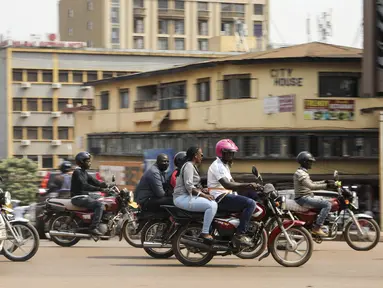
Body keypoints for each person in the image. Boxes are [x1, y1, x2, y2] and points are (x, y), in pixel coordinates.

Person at [208, 139, 258, 246]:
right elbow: (227, 185)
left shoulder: (224, 165)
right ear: (221, 152)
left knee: (249, 200)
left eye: (232, 153)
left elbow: (233, 183)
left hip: (226, 195)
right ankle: (240, 234)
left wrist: (253, 187)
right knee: (251, 203)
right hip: (220, 198)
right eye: (228, 153)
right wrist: (247, 185)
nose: (231, 155)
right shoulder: (218, 166)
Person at [173, 146, 217, 242]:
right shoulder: (188, 165)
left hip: (187, 196)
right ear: (195, 156)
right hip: (182, 197)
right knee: (212, 205)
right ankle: (205, 232)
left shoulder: (192, 166)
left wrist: (203, 190)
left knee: (213, 202)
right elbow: (189, 185)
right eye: (201, 154)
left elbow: (194, 185)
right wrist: (204, 195)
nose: (202, 156)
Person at [294, 151, 336, 236]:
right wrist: (327, 185)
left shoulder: (303, 172)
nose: (311, 163)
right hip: (303, 198)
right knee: (327, 204)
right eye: (310, 161)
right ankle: (317, 228)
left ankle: (316, 223)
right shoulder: (300, 173)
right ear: (304, 162)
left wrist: (325, 181)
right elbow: (311, 186)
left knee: (325, 201)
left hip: (305, 197)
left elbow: (312, 183)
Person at [70, 152, 108, 236]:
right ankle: (93, 227)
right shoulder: (77, 172)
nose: (89, 163)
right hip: (78, 197)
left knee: (103, 199)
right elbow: (85, 185)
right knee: (99, 205)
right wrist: (99, 189)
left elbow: (94, 181)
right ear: (81, 162)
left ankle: (99, 221)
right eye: (87, 161)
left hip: (84, 196)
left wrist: (106, 185)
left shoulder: (84, 172)